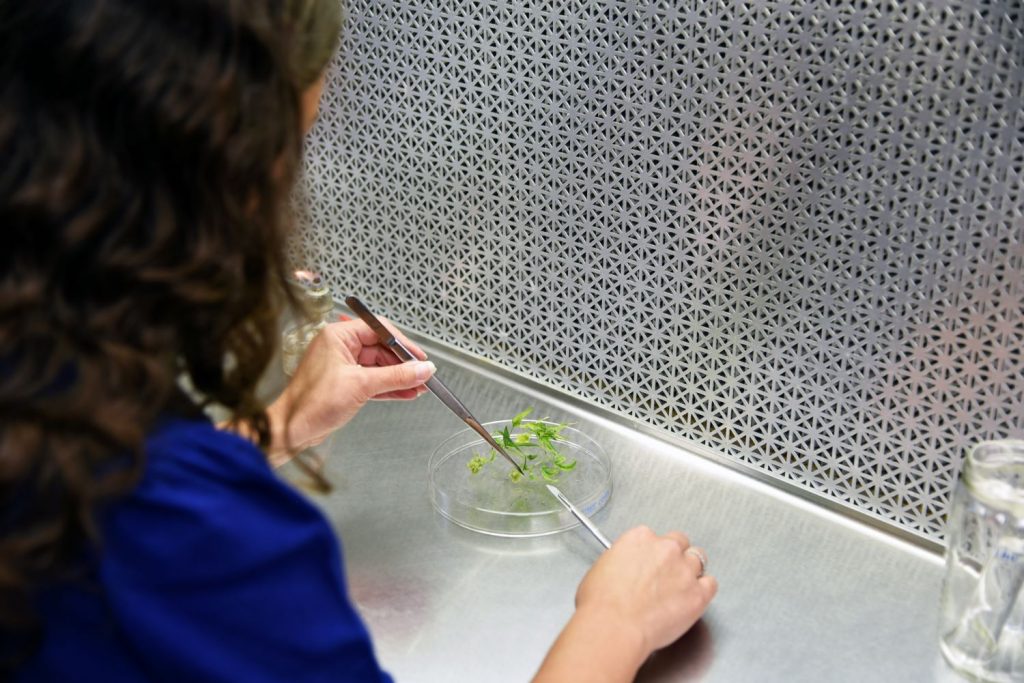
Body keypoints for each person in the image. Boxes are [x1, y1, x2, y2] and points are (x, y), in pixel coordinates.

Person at [0, 1, 718, 681]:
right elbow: (151, 527)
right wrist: (616, 624)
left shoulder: (38, 358)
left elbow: (82, 485)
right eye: (298, 142)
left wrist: (275, 427)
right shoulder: (214, 547)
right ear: (220, 175)